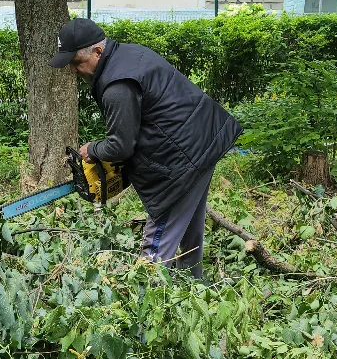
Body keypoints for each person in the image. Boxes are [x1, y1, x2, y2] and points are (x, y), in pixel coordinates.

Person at [48, 18, 242, 280]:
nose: (73, 70)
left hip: (183, 156)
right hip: (204, 138)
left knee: (158, 238)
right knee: (188, 226)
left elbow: (120, 145)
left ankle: (145, 305)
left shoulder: (117, 84)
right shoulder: (129, 54)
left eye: (76, 63)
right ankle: (192, 286)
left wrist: (93, 149)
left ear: (97, 51)